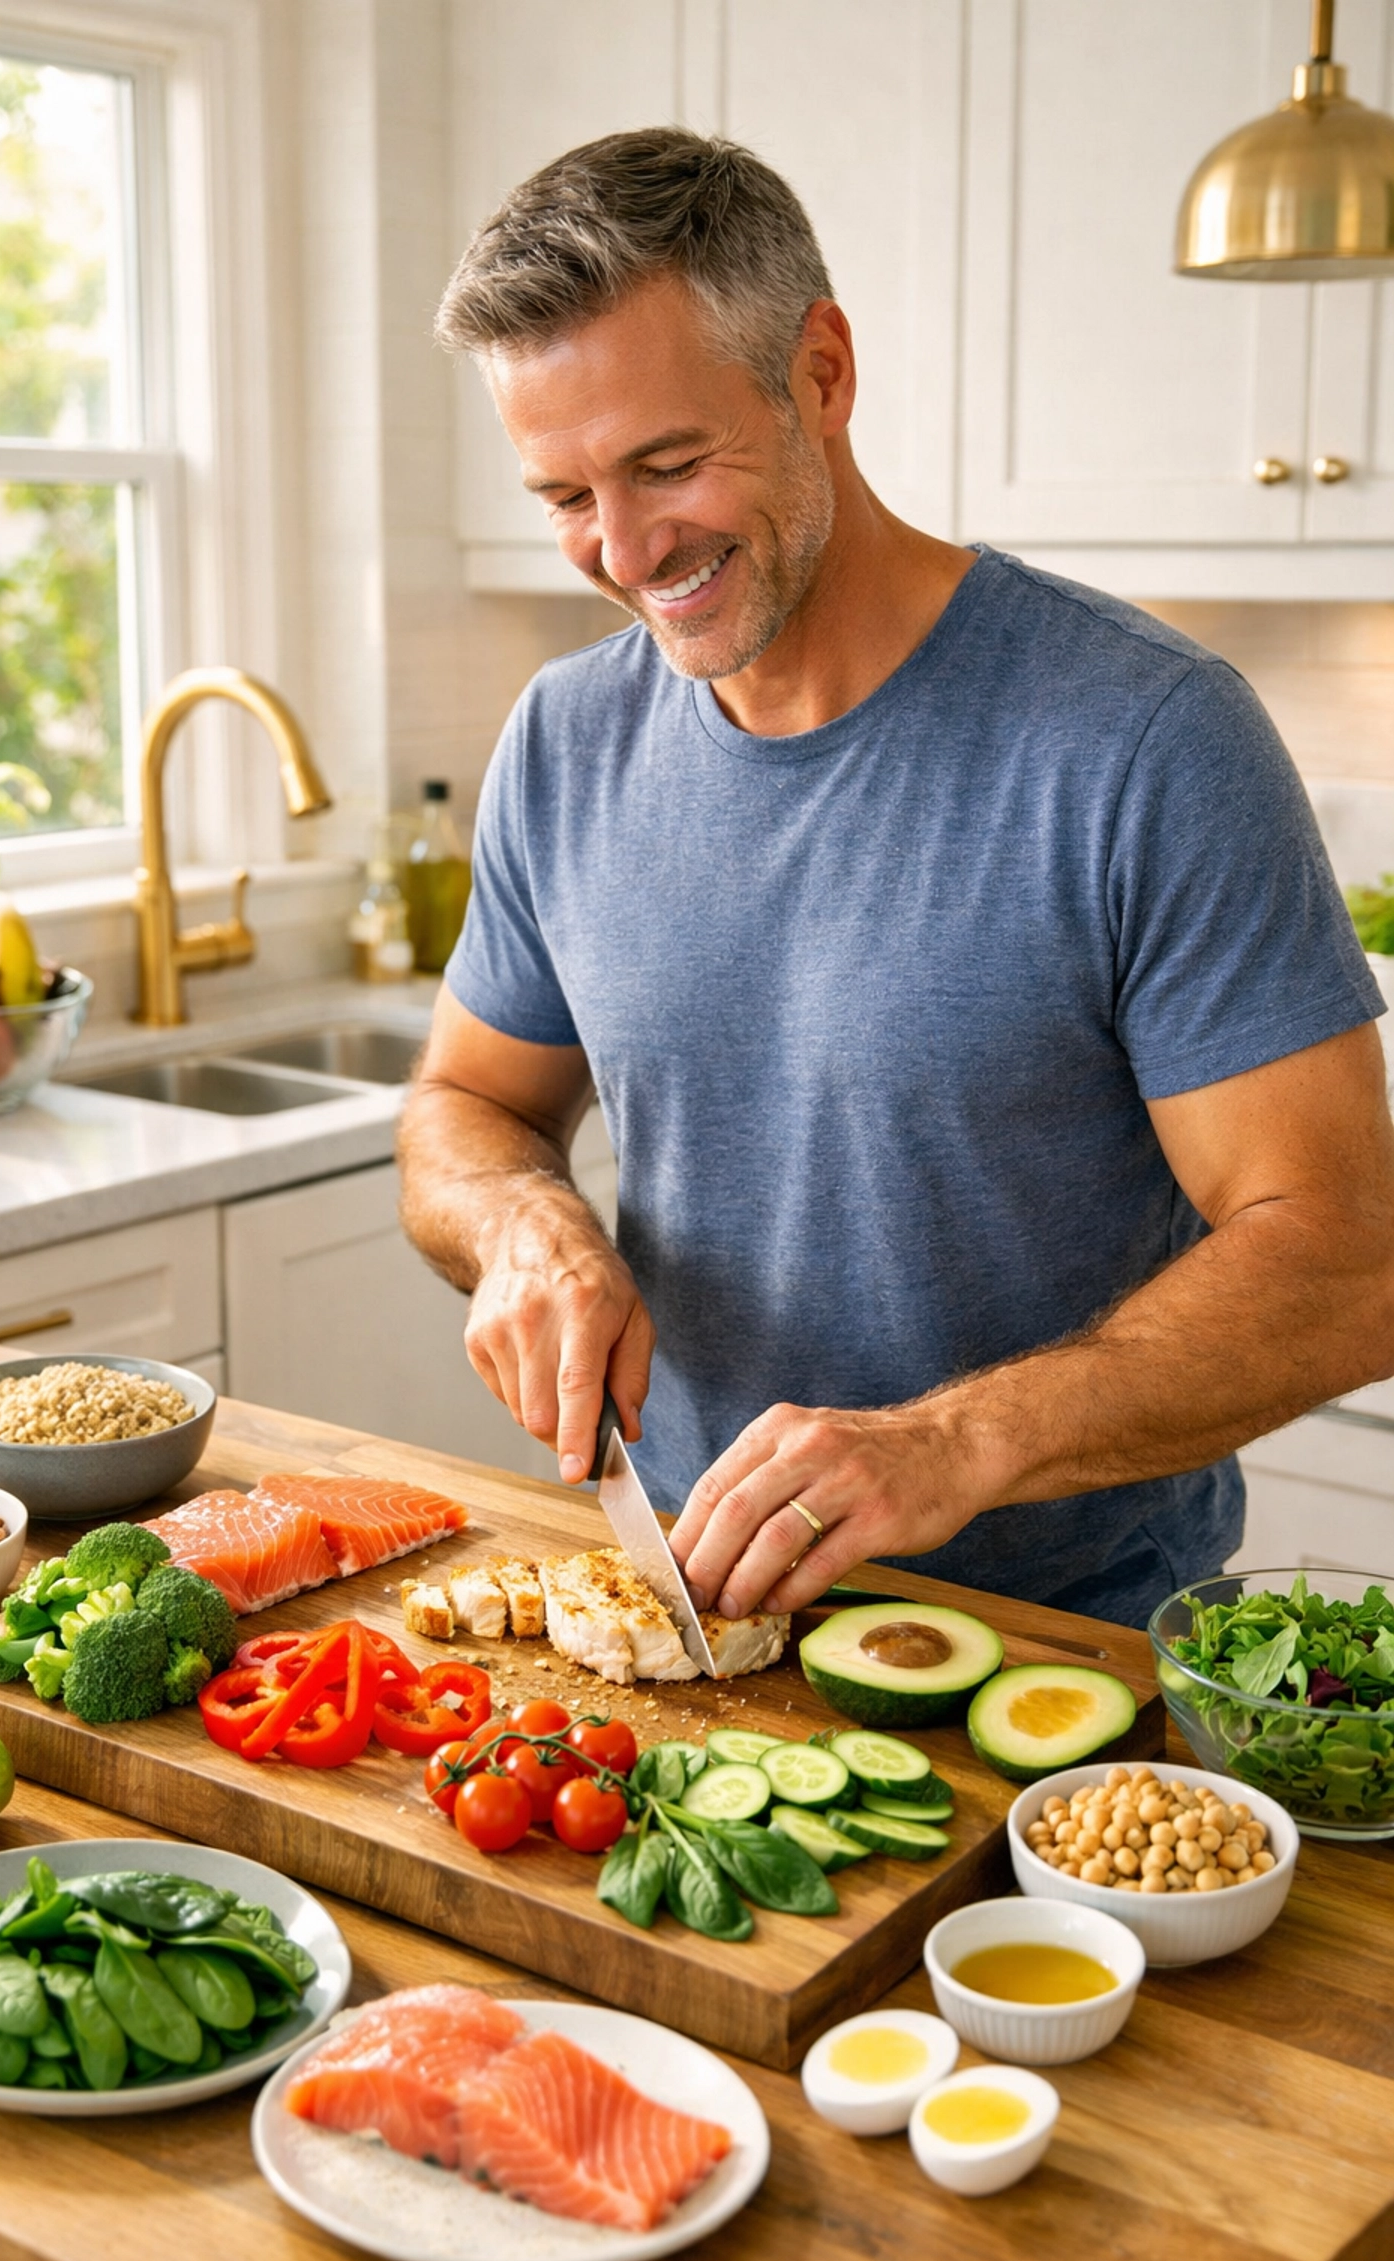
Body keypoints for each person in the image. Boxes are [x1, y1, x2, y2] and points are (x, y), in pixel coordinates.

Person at [397, 127, 1394, 1632]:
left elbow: (1348, 1264)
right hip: (687, 1610)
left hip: (1068, 1648)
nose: (620, 548)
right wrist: (521, 1224)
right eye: (563, 495)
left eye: (668, 465)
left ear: (822, 373)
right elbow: (462, 1110)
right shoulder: (567, 737)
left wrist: (952, 1444)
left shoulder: (1145, 738)